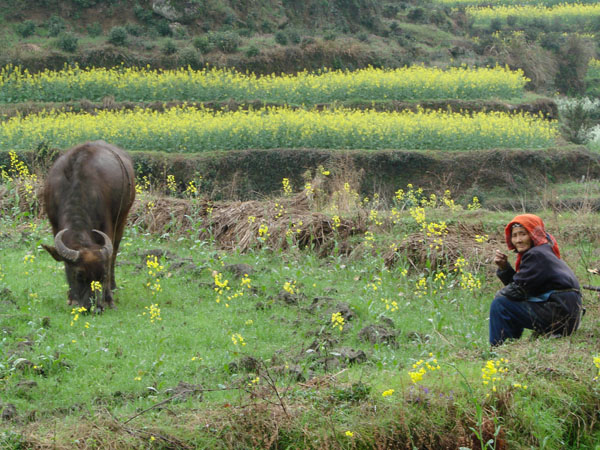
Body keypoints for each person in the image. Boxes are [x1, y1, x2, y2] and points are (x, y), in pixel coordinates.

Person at [489, 213, 582, 346]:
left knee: (500, 304)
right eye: (514, 236)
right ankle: (509, 345)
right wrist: (505, 268)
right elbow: (523, 287)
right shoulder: (542, 252)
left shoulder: (536, 255)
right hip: (566, 315)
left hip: (560, 314)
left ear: (533, 235)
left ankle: (499, 348)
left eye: (523, 234)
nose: (518, 240)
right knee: (506, 301)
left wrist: (499, 296)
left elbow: (518, 290)